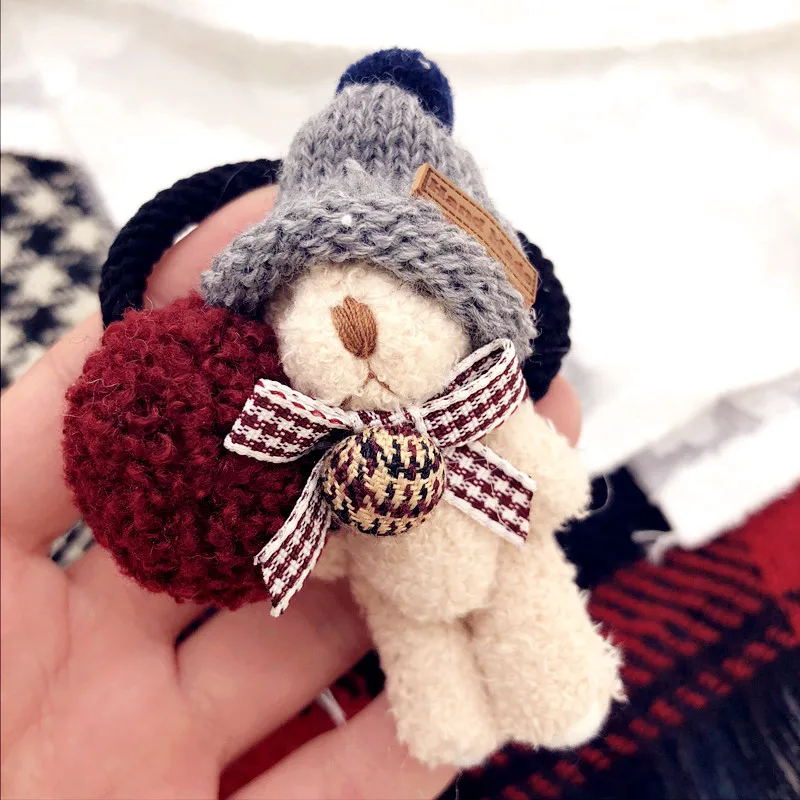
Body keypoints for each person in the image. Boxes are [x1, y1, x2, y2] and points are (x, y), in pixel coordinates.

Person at [0, 185, 582, 799]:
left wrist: (550, 484)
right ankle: (445, 710)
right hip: (386, 569)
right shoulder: (316, 451)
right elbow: (320, 534)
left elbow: (544, 476)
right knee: (408, 631)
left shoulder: (477, 405)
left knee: (530, 584)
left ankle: (559, 676)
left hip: (500, 542)